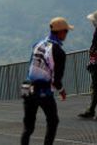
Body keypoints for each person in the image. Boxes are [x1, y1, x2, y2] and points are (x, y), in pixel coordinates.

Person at [21, 17, 71, 145]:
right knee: (53, 121)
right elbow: (56, 79)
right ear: (60, 32)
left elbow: (31, 65)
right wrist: (61, 90)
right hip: (42, 89)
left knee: (28, 127)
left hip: (27, 86)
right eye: (66, 31)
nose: (66, 34)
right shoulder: (58, 52)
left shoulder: (37, 44)